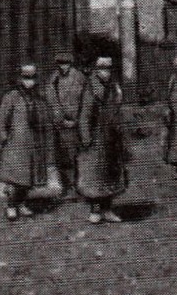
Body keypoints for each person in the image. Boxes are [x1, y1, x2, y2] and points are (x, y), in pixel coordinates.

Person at [76, 57, 130, 224]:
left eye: (108, 68)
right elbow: (84, 116)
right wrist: (86, 138)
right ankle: (95, 210)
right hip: (96, 137)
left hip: (111, 136)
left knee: (111, 173)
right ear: (97, 69)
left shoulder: (114, 87)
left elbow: (118, 109)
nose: (105, 71)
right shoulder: (91, 88)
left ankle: (107, 209)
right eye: (102, 68)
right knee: (95, 174)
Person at [0, 64, 51, 222]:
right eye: (26, 78)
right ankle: (11, 206)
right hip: (16, 142)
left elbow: (42, 117)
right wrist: (4, 135)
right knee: (16, 177)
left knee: (29, 177)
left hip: (33, 142)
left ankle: (21, 203)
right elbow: (0, 118)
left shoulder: (37, 97)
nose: (29, 82)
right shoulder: (12, 96)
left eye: (32, 78)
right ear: (20, 78)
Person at [43, 51, 88, 196]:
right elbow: (51, 98)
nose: (63, 67)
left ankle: (79, 186)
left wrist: (76, 120)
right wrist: (60, 118)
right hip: (61, 123)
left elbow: (85, 100)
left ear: (71, 63)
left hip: (77, 122)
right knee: (63, 155)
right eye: (60, 64)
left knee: (77, 154)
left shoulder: (79, 77)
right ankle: (67, 186)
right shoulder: (54, 78)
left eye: (66, 63)